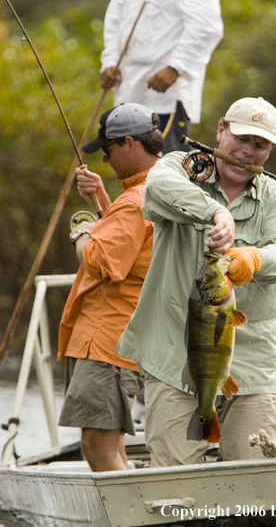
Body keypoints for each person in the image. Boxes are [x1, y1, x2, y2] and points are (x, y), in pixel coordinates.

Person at [116, 96, 276, 466]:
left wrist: (254, 257)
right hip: (173, 362)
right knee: (173, 482)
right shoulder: (180, 167)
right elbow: (156, 189)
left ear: (272, 148)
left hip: (253, 370)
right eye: (242, 139)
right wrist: (216, 212)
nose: (249, 151)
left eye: (260, 144)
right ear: (220, 131)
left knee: (255, 485)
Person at [57, 102, 164, 472]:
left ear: (130, 144)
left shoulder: (136, 201)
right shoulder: (148, 191)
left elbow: (103, 261)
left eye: (109, 151)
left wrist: (81, 232)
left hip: (107, 341)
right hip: (115, 339)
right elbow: (130, 245)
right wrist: (103, 201)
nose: (106, 160)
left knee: (96, 445)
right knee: (111, 441)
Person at [100, 0, 223, 154]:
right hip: (128, 97)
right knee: (134, 175)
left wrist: (176, 68)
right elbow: (113, 24)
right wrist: (109, 63)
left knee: (164, 176)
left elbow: (206, 26)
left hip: (166, 99)